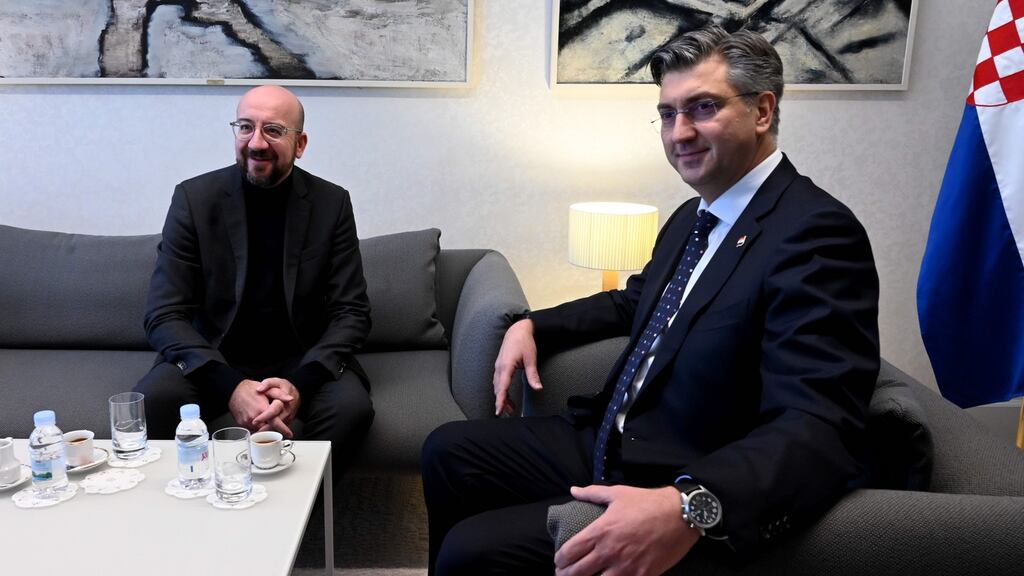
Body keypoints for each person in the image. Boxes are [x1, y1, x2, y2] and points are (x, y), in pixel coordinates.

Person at [421, 25, 879, 575]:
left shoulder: (816, 233)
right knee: (449, 451)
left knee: (470, 550)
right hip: (609, 437)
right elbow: (634, 301)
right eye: (667, 113)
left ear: (762, 111)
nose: (678, 132)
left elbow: (817, 423)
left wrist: (690, 506)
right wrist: (533, 325)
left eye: (702, 108)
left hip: (675, 474)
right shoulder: (697, 213)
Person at [136, 85, 374, 476]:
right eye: (245, 127)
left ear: (300, 144)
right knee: (153, 399)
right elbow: (163, 314)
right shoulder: (195, 199)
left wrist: (297, 385)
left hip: (302, 357)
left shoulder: (331, 204)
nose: (256, 142)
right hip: (214, 355)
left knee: (352, 409)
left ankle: (300, 515)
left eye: (274, 130)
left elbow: (352, 312)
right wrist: (231, 386)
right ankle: (186, 505)